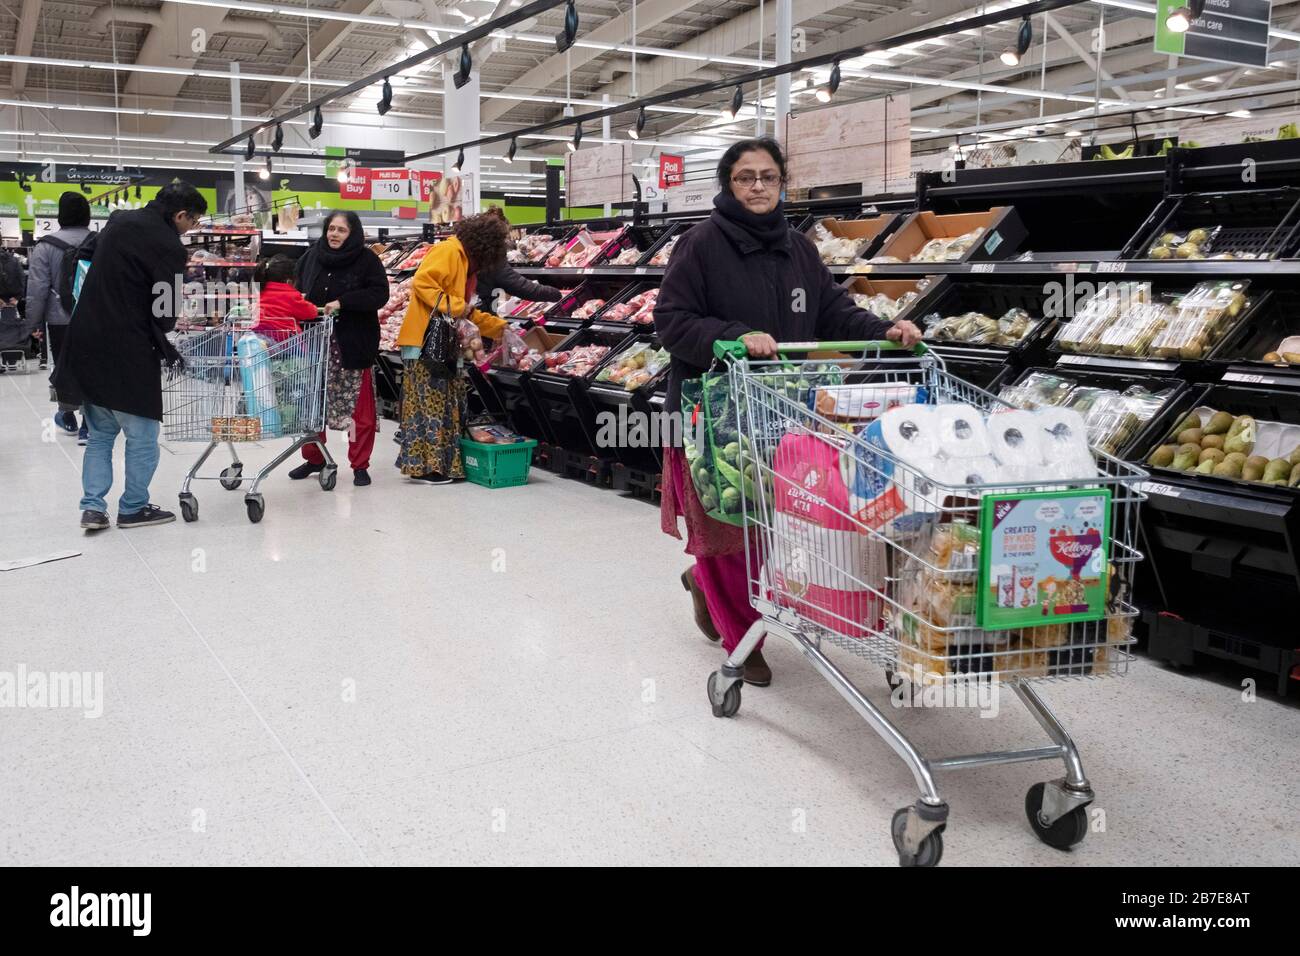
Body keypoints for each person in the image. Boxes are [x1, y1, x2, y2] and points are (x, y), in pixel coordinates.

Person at [654, 138, 923, 687]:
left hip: (784, 408)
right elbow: (672, 322)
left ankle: (706, 585)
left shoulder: (799, 248)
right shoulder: (699, 245)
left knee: (780, 520)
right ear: (727, 184)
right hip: (715, 411)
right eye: (745, 177)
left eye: (768, 177)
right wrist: (733, 335)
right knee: (729, 525)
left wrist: (884, 331)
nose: (758, 187)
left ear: (782, 184)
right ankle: (740, 635)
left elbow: (832, 311)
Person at [53, 181, 208, 531]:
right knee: (141, 437)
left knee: (100, 434)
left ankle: (93, 508)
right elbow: (165, 310)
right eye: (194, 221)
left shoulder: (119, 221)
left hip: (88, 339)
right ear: (180, 214)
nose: (193, 228)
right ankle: (133, 508)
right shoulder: (168, 245)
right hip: (130, 348)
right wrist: (168, 321)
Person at [394, 213, 509, 484]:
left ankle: (441, 464)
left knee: (446, 404)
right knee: (430, 406)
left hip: (444, 342)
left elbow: (465, 310)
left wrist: (500, 328)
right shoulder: (449, 251)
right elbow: (422, 283)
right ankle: (427, 468)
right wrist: (460, 307)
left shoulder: (467, 262)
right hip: (426, 341)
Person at [289, 211, 388, 487]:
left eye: (341, 230)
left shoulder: (367, 260)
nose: (334, 234)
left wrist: (343, 302)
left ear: (352, 233)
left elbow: (380, 294)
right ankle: (315, 457)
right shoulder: (311, 257)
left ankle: (359, 464)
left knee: (359, 411)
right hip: (314, 343)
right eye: (331, 228)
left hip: (352, 344)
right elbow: (296, 288)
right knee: (311, 404)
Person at [25, 191, 92, 440]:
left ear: (60, 216)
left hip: (60, 319)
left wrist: (33, 324)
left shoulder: (45, 246)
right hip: (95, 318)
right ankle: (89, 422)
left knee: (64, 366)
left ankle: (67, 415)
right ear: (87, 215)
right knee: (92, 365)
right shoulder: (100, 241)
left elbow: (37, 289)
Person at [477, 206, 564, 316]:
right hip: (474, 314)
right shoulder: (491, 256)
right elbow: (520, 286)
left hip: (470, 311)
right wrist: (556, 294)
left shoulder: (469, 248)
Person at [252, 254, 317, 342]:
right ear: (289, 281)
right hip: (285, 340)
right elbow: (311, 312)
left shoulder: (262, 293)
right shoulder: (292, 296)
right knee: (301, 351)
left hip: (261, 334)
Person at [0, 244, 26, 371]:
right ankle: (10, 359)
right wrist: (17, 297)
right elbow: (22, 279)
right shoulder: (13, 260)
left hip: (2, 301)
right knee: (10, 330)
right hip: (11, 301)